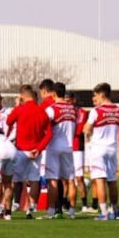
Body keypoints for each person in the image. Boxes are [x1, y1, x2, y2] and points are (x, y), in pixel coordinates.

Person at [6, 85, 52, 219]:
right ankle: (31, 209)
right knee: (34, 180)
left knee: (14, 180)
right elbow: (49, 134)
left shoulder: (20, 109)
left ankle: (8, 211)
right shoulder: (42, 111)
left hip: (21, 150)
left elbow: (9, 121)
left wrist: (17, 106)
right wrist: (39, 148)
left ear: (22, 96)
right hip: (36, 151)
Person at [83, 83, 119, 221]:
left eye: (96, 95)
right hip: (112, 148)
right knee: (112, 181)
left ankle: (104, 212)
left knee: (99, 180)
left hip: (99, 148)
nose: (95, 98)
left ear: (102, 94)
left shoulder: (96, 111)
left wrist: (89, 131)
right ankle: (114, 209)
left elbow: (86, 129)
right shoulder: (118, 110)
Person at [44, 82, 77, 219]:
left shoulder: (52, 109)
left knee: (53, 179)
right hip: (68, 147)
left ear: (53, 94)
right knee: (70, 179)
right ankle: (72, 211)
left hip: (54, 146)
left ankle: (52, 211)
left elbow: (44, 126)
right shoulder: (72, 109)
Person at [67, 91, 92, 213]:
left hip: (77, 147)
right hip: (66, 147)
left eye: (69, 100)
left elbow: (79, 129)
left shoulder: (81, 112)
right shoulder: (65, 112)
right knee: (66, 178)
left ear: (73, 100)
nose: (67, 103)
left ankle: (84, 204)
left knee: (79, 178)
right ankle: (65, 203)